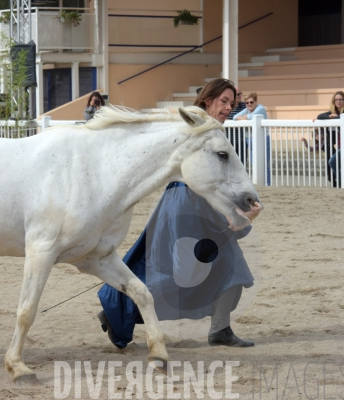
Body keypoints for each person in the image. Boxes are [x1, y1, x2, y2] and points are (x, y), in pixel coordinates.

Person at [97, 78, 262, 350]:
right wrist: (238, 217)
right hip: (187, 203)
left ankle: (220, 328)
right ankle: (117, 305)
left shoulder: (210, 130)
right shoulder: (195, 129)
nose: (228, 107)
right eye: (223, 101)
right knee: (184, 274)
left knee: (225, 266)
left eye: (232, 103)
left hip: (190, 201)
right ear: (207, 100)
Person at [315, 91, 344, 187]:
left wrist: (331, 118)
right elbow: (319, 116)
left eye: (341, 99)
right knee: (334, 162)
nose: (338, 102)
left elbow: (343, 117)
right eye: (336, 100)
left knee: (333, 162)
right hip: (341, 145)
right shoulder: (333, 112)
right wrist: (329, 116)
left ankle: (342, 183)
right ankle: (341, 183)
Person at [233, 92, 271, 185]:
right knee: (253, 163)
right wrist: (244, 117)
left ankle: (267, 184)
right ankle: (258, 184)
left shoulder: (260, 108)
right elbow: (234, 117)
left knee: (264, 163)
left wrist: (244, 118)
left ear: (256, 101)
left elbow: (249, 118)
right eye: (247, 103)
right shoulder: (247, 110)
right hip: (250, 139)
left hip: (262, 139)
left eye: (251, 102)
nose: (249, 104)